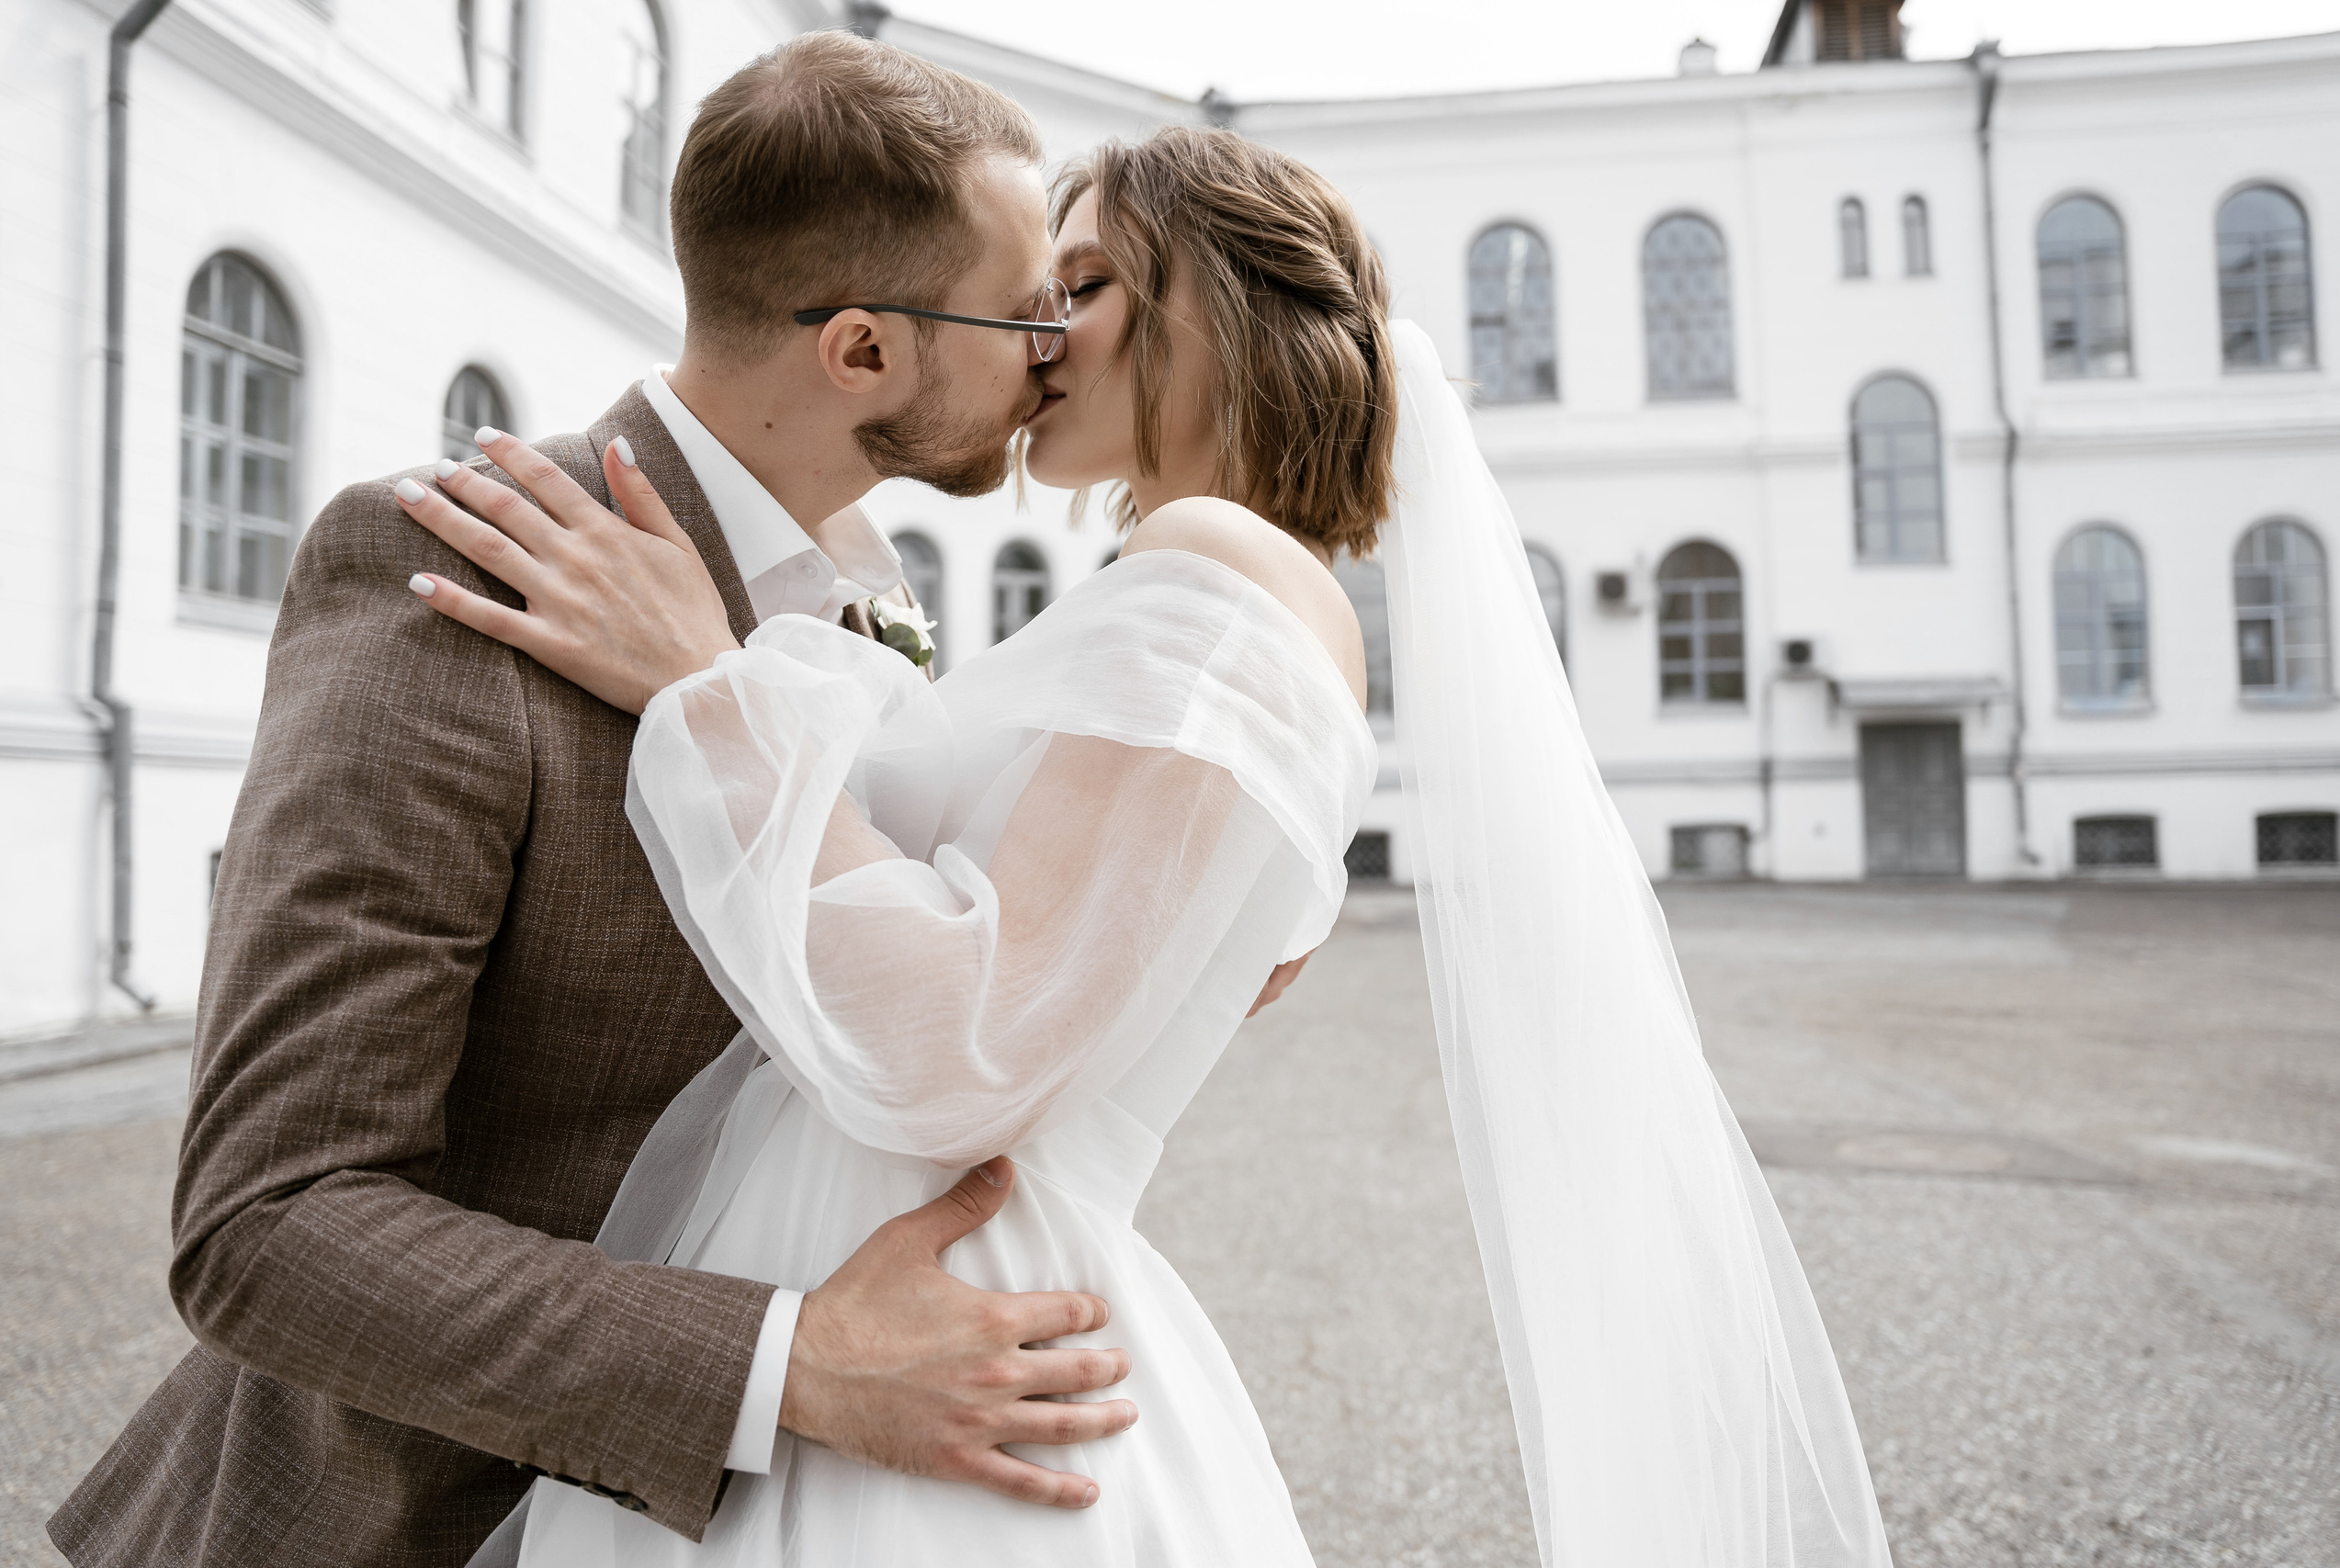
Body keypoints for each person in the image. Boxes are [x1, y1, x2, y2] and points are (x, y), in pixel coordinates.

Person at [393, 120, 1894, 1566]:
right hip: (925, 1279)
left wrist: (704, 690)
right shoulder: (1230, 599)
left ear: (1223, 312)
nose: (1040, 333)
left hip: (935, 1304)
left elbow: (961, 1049)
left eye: (1090, 284)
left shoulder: (1219, 572)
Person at [49, 37, 1152, 1568]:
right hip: (424, 1523)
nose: (1054, 347)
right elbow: (267, 1224)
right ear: (861, 354)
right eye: (1024, 308)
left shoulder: (868, 603)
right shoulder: (451, 570)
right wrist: (794, 1367)